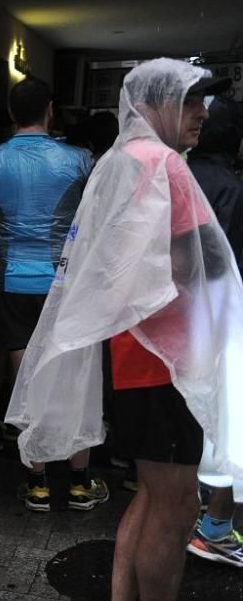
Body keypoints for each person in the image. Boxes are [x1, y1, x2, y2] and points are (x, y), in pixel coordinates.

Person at [3, 59, 242, 600]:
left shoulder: (119, 159)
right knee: (179, 503)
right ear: (156, 103)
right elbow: (180, 266)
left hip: (134, 355)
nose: (204, 113)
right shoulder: (165, 166)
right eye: (193, 100)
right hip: (168, 360)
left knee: (151, 495)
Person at [0, 78, 106, 514]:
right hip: (64, 283)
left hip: (11, 280)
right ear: (50, 109)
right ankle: (79, 482)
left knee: (26, 377)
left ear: (12, 113)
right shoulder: (79, 160)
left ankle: (37, 484)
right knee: (74, 379)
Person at [185, 96, 243, 567]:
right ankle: (215, 528)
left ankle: (190, 511)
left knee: (190, 416)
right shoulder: (231, 187)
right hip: (223, 318)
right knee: (227, 424)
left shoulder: (177, 175)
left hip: (178, 321)